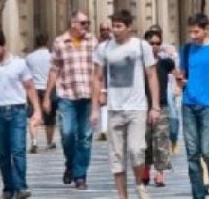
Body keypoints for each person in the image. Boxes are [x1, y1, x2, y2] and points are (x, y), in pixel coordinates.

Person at [92, 10, 162, 199]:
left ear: (128, 27)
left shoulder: (141, 46)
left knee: (136, 150)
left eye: (119, 26)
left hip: (137, 108)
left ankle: (139, 182)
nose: (115, 30)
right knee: (116, 157)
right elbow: (97, 78)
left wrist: (155, 106)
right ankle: (122, 195)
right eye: (113, 26)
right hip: (114, 109)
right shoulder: (103, 48)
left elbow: (151, 75)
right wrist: (95, 109)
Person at [0, 30, 43, 199]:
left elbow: (29, 87)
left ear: (4, 47)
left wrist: (37, 109)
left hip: (17, 111)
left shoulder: (19, 64)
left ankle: (21, 187)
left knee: (18, 150)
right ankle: (8, 187)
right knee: (3, 154)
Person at [175, 13, 209, 199]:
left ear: (206, 30)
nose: (193, 36)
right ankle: (198, 195)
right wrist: (180, 82)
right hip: (188, 104)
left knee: (206, 151)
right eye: (190, 32)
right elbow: (182, 76)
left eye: (196, 32)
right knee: (192, 154)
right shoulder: (186, 49)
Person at [44, 10, 98, 190]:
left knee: (85, 137)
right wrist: (47, 96)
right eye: (83, 23)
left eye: (88, 23)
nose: (86, 26)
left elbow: (99, 70)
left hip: (88, 95)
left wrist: (102, 91)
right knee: (67, 134)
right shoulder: (60, 42)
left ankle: (80, 175)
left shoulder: (92, 42)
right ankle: (70, 163)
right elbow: (54, 70)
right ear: (73, 23)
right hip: (67, 95)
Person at [143, 29, 175, 189]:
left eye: (158, 43)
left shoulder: (164, 63)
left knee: (161, 140)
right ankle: (145, 169)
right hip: (142, 107)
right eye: (151, 43)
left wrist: (169, 52)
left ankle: (160, 173)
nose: (154, 46)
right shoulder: (139, 64)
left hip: (161, 106)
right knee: (145, 140)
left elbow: (177, 70)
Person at [24, 34, 56, 153]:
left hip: (34, 89)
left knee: (34, 115)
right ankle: (49, 142)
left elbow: (26, 74)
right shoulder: (52, 57)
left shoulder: (29, 57)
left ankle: (34, 141)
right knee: (50, 118)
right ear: (47, 42)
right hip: (48, 88)